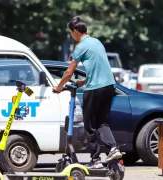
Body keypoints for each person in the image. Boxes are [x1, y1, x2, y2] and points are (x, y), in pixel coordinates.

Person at [52, 16, 123, 169]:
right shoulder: (97, 42)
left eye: (71, 32)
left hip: (95, 89)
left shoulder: (80, 47)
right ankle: (113, 148)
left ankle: (96, 160)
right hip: (109, 86)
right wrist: (83, 82)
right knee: (102, 123)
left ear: (76, 31)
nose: (72, 35)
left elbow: (69, 71)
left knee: (89, 126)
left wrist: (58, 87)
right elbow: (99, 68)